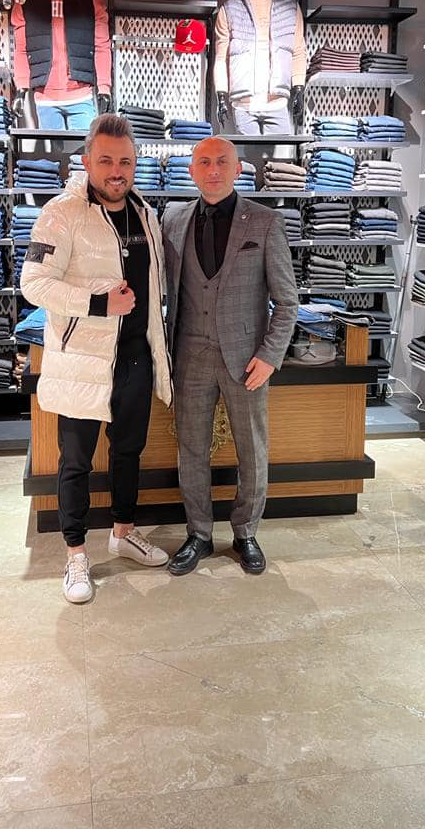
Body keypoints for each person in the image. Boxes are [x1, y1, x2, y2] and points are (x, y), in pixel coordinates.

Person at [21, 113, 173, 604]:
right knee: (76, 462)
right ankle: (75, 555)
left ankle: (123, 533)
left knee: (129, 451)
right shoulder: (61, 213)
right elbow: (33, 284)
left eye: (125, 161)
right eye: (106, 160)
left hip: (135, 358)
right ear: (86, 161)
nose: (116, 171)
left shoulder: (145, 213)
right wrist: (97, 303)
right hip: (83, 362)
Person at [163, 137, 298, 575]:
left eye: (222, 161)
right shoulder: (172, 219)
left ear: (238, 169)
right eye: (204, 162)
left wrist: (270, 355)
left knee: (251, 448)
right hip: (188, 354)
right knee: (191, 448)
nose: (213, 169)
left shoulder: (265, 221)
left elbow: (287, 301)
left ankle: (246, 532)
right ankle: (199, 534)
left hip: (247, 359)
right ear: (191, 170)